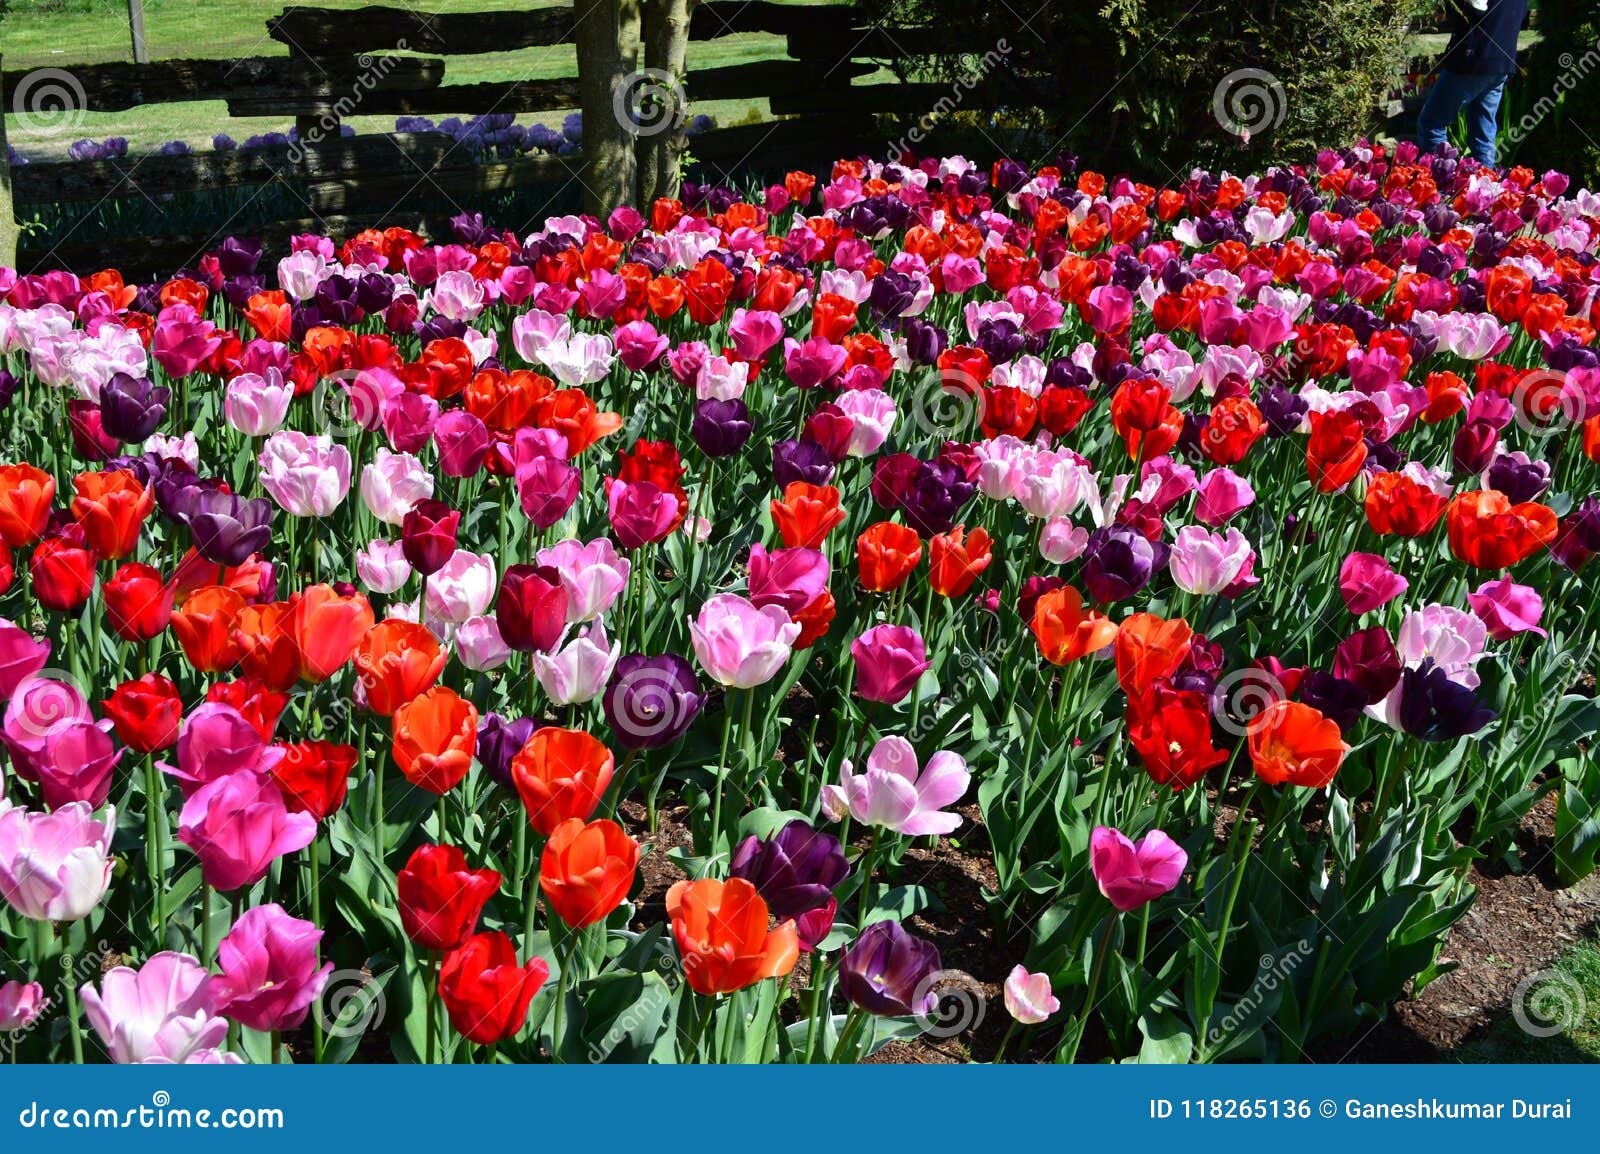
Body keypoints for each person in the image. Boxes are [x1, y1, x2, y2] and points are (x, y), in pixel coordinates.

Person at [1416, 0, 1530, 167]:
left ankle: (1442, 183)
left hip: (1473, 59)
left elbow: (1477, 7)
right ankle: (1484, 189)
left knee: (1431, 123)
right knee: (1483, 135)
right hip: (1502, 60)